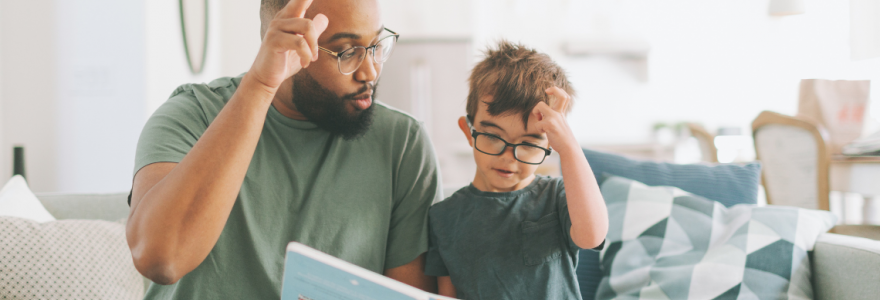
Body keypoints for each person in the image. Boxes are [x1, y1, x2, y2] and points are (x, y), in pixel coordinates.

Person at [125, 0, 441, 298]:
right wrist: (262, 84)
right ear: (283, 41)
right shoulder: (191, 116)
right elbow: (160, 260)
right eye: (347, 52)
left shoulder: (401, 144)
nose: (370, 72)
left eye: (376, 45)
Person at [424, 41, 609, 299]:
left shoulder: (556, 196)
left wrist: (569, 147)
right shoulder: (442, 217)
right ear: (468, 132)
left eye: (529, 143)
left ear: (549, 145)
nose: (508, 157)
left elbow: (591, 236)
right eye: (492, 136)